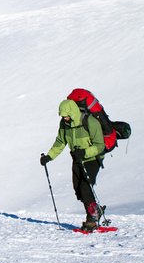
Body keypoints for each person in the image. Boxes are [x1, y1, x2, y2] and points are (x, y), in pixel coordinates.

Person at [40, 99, 105, 232]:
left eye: (66, 115)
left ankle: (92, 218)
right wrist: (49, 156)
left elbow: (100, 145)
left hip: (92, 158)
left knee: (85, 186)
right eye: (63, 116)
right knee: (78, 189)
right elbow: (60, 142)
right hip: (77, 158)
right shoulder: (65, 124)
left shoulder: (90, 122)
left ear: (72, 112)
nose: (65, 118)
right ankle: (95, 209)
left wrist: (85, 152)